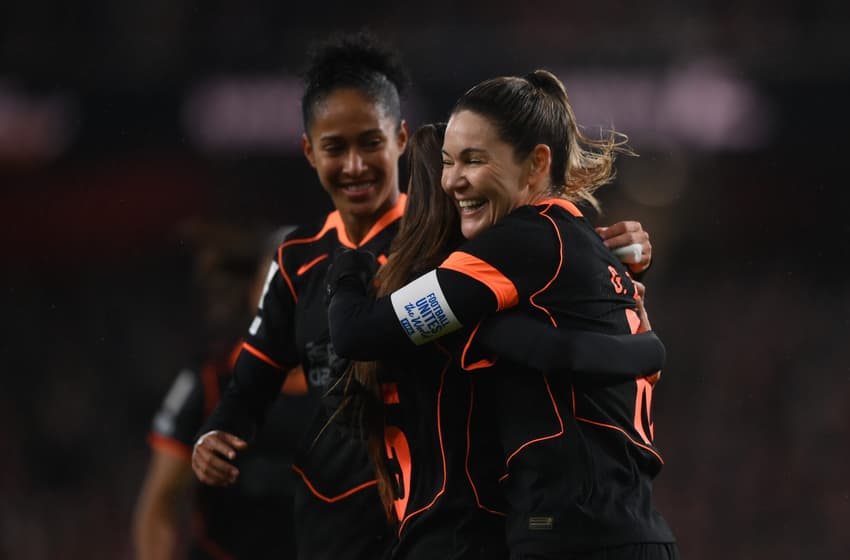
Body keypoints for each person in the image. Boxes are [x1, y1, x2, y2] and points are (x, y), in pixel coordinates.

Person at [191, 30, 657, 559]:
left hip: (457, 520)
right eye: (334, 148)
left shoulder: (450, 238)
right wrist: (221, 428)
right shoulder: (297, 261)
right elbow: (253, 374)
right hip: (338, 524)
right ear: (308, 151)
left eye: (369, 143)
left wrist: (618, 257)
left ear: (400, 139)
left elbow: (553, 277)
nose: (354, 165)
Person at [327, 70, 677, 559]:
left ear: (535, 164)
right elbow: (636, 356)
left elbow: (357, 333)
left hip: (564, 536)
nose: (453, 180)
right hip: (639, 532)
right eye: (448, 162)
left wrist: (346, 262)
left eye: (473, 159)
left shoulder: (518, 246)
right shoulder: (590, 258)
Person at [132, 222, 316, 559]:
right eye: (275, 284)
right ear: (252, 293)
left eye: (304, 285)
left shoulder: (352, 387)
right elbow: (160, 505)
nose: (288, 300)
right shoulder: (208, 379)